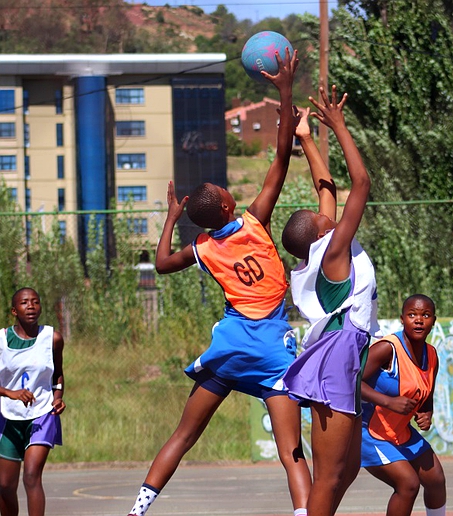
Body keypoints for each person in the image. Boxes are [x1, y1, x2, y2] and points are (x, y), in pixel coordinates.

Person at [126, 46, 312, 516]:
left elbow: (163, 263)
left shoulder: (205, 248)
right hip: (271, 350)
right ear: (228, 207)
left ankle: (138, 510)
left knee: (184, 436)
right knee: (292, 452)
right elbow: (281, 162)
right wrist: (285, 89)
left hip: (229, 348)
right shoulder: (255, 221)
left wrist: (171, 217)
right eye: (227, 193)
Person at [281, 84, 379, 516]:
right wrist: (337, 126)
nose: (328, 208)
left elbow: (328, 187)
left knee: (350, 468)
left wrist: (305, 137)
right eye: (325, 216)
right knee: (329, 475)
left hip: (342, 353)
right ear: (323, 232)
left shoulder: (321, 248)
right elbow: (360, 182)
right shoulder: (334, 252)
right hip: (336, 357)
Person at [360, 294, 446, 516]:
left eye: (425, 315)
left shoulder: (432, 355)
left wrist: (427, 413)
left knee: (435, 479)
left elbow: (426, 397)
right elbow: (349, 382)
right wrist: (388, 401)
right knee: (408, 484)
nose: (419, 320)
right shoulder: (388, 349)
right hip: (369, 432)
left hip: (399, 432)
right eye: (412, 315)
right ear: (402, 319)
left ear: (433, 321)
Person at [0, 287, 66, 516]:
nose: (30, 306)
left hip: (42, 414)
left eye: (35, 302)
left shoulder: (52, 338)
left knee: (31, 476)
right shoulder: (1, 339)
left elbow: (58, 373)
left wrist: (58, 398)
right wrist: (10, 393)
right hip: (8, 417)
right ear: (14, 310)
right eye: (24, 303)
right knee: (5, 484)